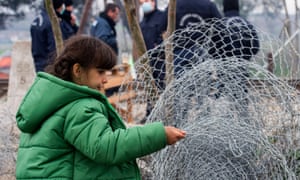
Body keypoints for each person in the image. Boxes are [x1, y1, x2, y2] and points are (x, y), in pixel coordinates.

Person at [15, 35, 186, 180]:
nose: (105, 79)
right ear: (77, 70)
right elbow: (105, 146)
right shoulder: (80, 107)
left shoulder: (50, 101)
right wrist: (160, 135)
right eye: (101, 72)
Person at [161, 0, 222, 77]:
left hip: (179, 53)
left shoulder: (173, 6)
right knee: (203, 84)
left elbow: (162, 28)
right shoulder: (209, 5)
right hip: (203, 53)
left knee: (181, 85)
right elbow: (220, 29)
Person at [30, 0, 76, 72]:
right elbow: (55, 48)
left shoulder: (37, 20)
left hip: (39, 63)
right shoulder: (53, 22)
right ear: (60, 6)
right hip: (51, 66)